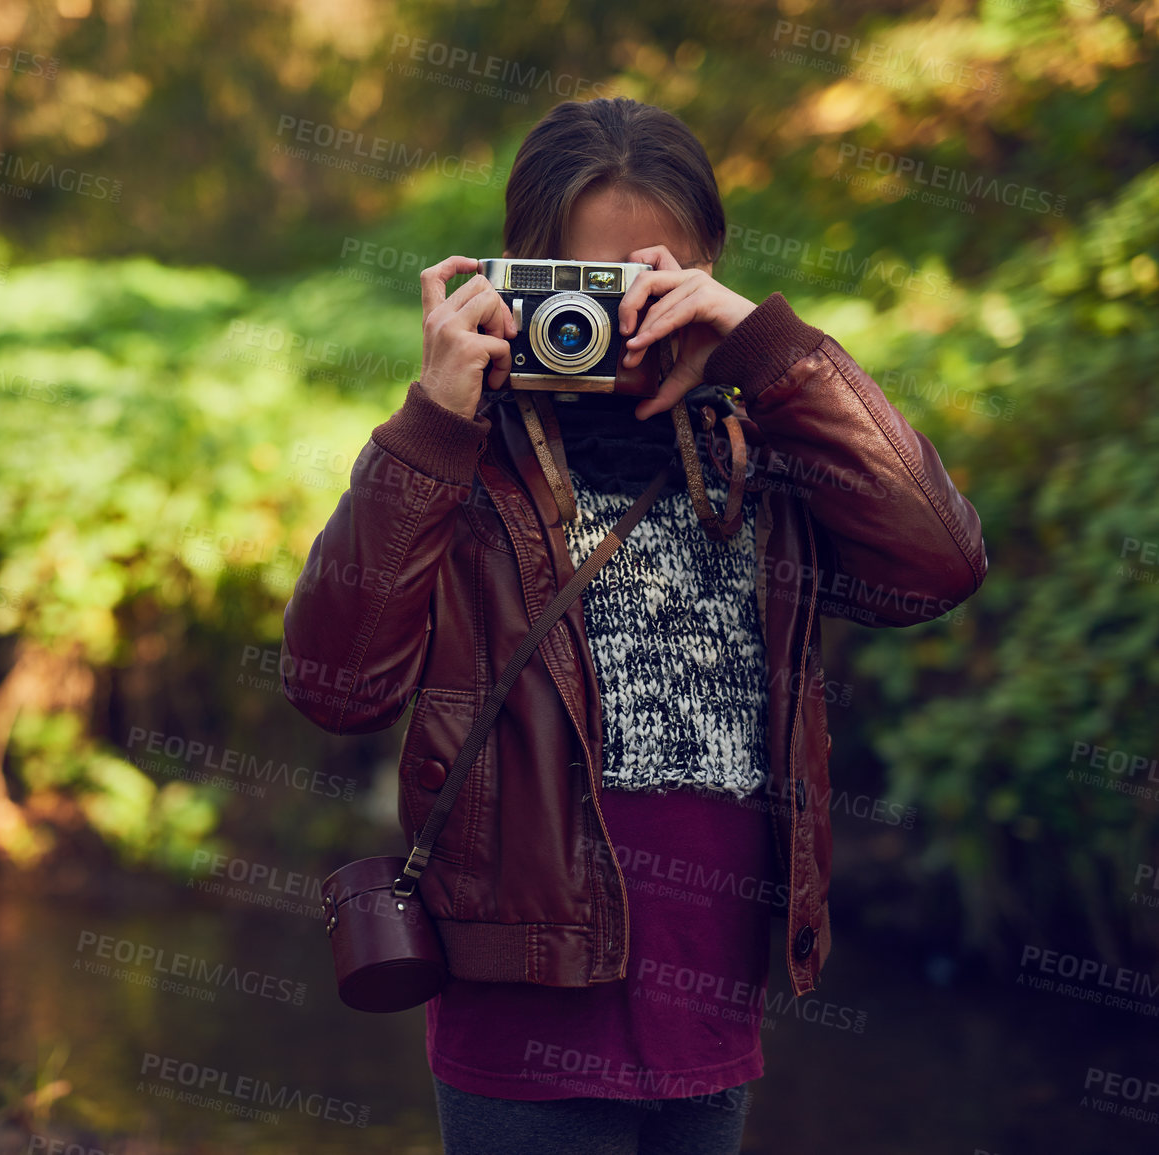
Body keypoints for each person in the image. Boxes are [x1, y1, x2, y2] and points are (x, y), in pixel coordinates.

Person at [280, 96, 987, 1154]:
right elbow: (337, 688)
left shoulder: (760, 445)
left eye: (644, 281)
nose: (605, 321)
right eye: (579, 285)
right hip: (520, 1015)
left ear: (707, 268)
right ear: (519, 275)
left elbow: (939, 562)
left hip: (711, 995)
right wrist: (430, 422)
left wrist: (771, 351)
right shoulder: (463, 455)